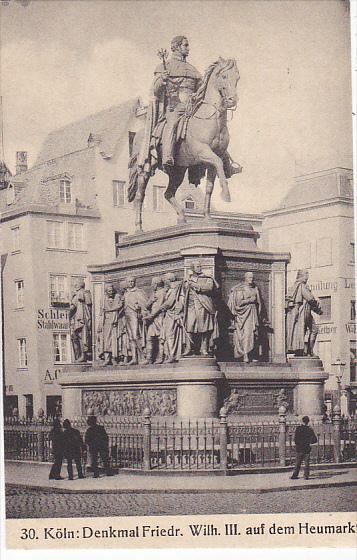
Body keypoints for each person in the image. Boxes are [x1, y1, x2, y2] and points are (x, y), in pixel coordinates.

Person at [151, 35, 241, 177]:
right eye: (185, 45)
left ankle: (226, 164)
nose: (188, 48)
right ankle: (167, 155)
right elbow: (155, 89)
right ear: (176, 47)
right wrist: (162, 79)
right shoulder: (165, 67)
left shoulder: (192, 69)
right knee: (172, 123)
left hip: (192, 106)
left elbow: (201, 88)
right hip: (175, 106)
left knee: (212, 130)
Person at [183, 262, 218, 356]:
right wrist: (187, 284)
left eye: (200, 266)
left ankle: (204, 349)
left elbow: (209, 288)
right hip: (190, 307)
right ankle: (188, 348)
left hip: (203, 305)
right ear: (193, 268)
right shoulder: (188, 279)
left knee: (204, 328)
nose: (200, 268)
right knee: (189, 327)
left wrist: (195, 285)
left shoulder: (207, 278)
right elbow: (183, 291)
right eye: (197, 266)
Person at [286, 269, 322, 357]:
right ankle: (306, 351)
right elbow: (309, 298)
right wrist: (317, 304)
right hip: (303, 312)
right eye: (306, 274)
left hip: (305, 312)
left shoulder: (300, 285)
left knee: (310, 330)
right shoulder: (301, 285)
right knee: (307, 330)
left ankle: (308, 351)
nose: (308, 276)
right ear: (302, 275)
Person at [228, 271, 262, 363]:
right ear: (245, 278)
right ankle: (245, 354)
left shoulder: (255, 288)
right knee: (246, 334)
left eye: (252, 277)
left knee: (252, 334)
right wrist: (250, 300)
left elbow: (259, 303)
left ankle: (251, 354)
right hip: (243, 315)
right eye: (249, 277)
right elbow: (238, 303)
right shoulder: (241, 289)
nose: (252, 279)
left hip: (253, 313)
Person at [123, 277, 148, 365]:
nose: (131, 283)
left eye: (132, 281)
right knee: (130, 337)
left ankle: (142, 356)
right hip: (127, 316)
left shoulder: (139, 292)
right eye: (129, 281)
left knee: (136, 336)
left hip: (134, 316)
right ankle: (134, 358)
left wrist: (140, 309)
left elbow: (144, 304)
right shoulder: (126, 293)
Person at [97, 284, 123, 366]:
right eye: (109, 291)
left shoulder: (117, 297)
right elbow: (101, 312)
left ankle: (114, 358)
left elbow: (120, 306)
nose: (111, 292)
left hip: (115, 321)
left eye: (112, 291)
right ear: (106, 292)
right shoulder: (103, 299)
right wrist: (100, 324)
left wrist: (112, 309)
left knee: (114, 340)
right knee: (106, 340)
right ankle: (107, 358)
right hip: (106, 322)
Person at [143, 276, 167, 364]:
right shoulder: (154, 293)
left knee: (161, 338)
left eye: (152, 284)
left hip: (160, 317)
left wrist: (151, 316)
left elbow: (160, 307)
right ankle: (149, 358)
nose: (151, 285)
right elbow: (146, 305)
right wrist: (151, 300)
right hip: (153, 318)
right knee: (149, 337)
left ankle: (161, 357)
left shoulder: (162, 293)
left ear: (156, 284)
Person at [69, 281, 92, 362]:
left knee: (81, 336)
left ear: (80, 286)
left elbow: (72, 308)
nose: (75, 286)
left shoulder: (79, 294)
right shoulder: (87, 293)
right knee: (81, 336)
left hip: (81, 318)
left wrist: (67, 316)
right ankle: (82, 355)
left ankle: (83, 356)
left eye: (76, 284)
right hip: (84, 317)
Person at [291, 416, 317, 480]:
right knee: (307, 463)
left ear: (302, 421)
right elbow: (315, 440)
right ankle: (306, 476)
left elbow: (296, 439)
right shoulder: (309, 429)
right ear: (308, 422)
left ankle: (295, 475)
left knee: (298, 462)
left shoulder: (298, 428)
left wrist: (298, 444)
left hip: (299, 448)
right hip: (307, 448)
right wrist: (309, 442)